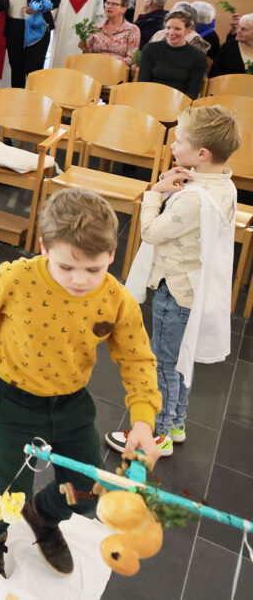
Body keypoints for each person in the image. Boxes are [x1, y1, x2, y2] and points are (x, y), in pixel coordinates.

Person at [0, 188, 161, 578]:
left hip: (72, 402)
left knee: (88, 491)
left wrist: (143, 418)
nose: (81, 280)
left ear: (112, 255)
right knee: (9, 487)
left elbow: (136, 356)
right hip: (13, 399)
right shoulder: (17, 277)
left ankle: (43, 514)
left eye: (94, 270)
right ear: (44, 248)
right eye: (67, 268)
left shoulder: (115, 298)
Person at [106, 106, 240, 458]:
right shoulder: (224, 183)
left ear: (202, 153)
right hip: (195, 286)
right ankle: (176, 422)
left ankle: (159, 433)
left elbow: (150, 232)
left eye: (179, 140)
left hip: (176, 289)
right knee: (179, 360)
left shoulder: (194, 200)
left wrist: (155, 192)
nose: (172, 145)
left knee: (163, 363)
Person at [138, 10, 207, 100]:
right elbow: (143, 83)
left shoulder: (198, 57)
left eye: (177, 29)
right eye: (168, 28)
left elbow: (192, 92)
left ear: (188, 30)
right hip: (150, 99)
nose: (171, 32)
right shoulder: (150, 49)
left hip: (179, 103)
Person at [79, 0, 140, 68]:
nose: (109, 6)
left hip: (117, 70)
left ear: (124, 9)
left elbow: (132, 58)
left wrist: (108, 62)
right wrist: (84, 47)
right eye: (107, 3)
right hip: (94, 67)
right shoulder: (96, 28)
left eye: (114, 4)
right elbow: (88, 54)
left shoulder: (132, 30)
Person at [209, 13, 253, 77]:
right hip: (229, 86)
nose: (238, 31)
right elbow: (213, 75)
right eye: (239, 27)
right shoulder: (228, 47)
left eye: (243, 29)